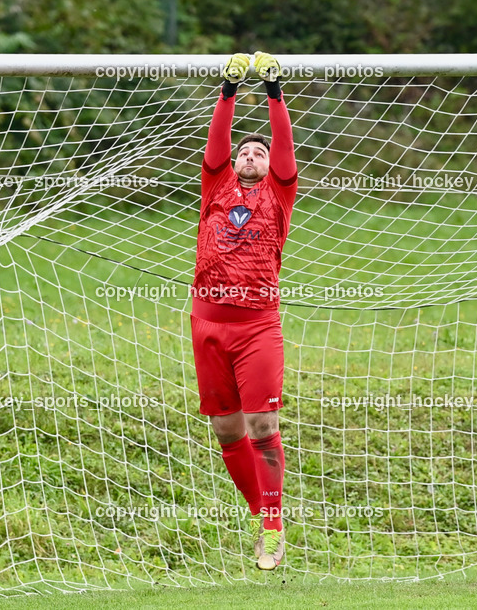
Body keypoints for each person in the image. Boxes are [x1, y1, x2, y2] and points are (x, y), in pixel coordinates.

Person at [189, 51, 298, 570]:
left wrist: (274, 90)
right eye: (245, 151)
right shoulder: (216, 187)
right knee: (228, 432)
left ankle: (273, 524)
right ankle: (265, 516)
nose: (252, 154)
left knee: (260, 423)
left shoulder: (279, 194)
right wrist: (228, 90)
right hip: (207, 324)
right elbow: (214, 146)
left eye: (259, 150)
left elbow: (284, 151)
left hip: (257, 326)